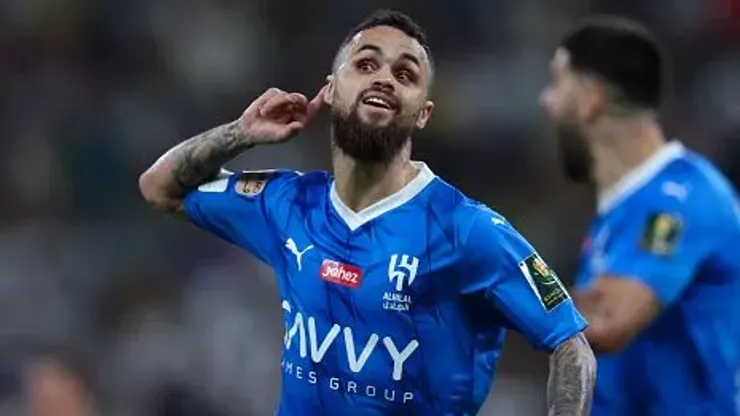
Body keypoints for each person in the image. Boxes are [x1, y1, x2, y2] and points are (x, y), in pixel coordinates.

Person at [140, 9, 595, 415]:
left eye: (405, 74)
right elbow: (160, 187)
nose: (384, 78)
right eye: (366, 64)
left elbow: (570, 344)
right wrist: (241, 133)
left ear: (423, 113)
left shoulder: (466, 229)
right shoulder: (287, 203)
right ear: (332, 89)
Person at [540, 15, 740, 415]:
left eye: (557, 82)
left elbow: (611, 320)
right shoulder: (622, 208)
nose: (546, 101)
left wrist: (496, 295)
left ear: (591, 97)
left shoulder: (681, 199)